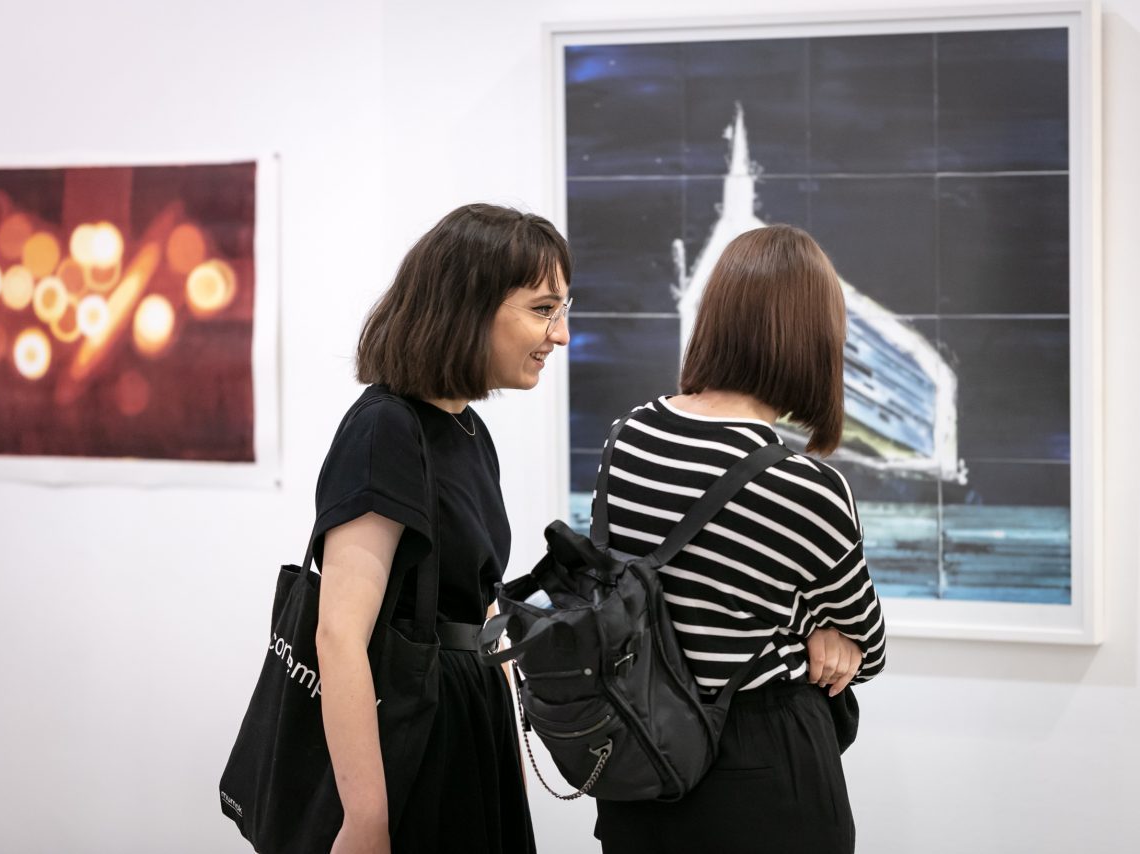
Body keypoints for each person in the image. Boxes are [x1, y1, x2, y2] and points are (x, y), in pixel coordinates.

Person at [591, 224, 886, 854]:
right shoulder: (807, 487)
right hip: (763, 764)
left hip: (639, 757)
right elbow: (869, 645)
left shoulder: (628, 437)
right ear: (814, 339)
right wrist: (812, 629)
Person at [311, 203, 571, 853]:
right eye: (543, 309)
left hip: (468, 718)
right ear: (469, 305)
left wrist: (505, 752)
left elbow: (480, 606)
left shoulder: (468, 430)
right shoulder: (386, 429)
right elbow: (339, 634)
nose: (561, 334)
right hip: (418, 732)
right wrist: (366, 820)